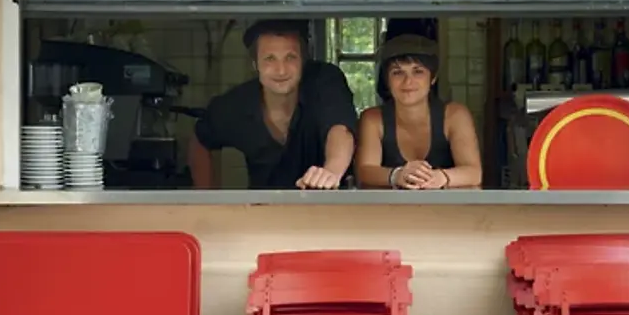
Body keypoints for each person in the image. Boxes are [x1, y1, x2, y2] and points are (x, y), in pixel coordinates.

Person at [188, 19, 358, 190]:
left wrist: (331, 172)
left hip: (325, 200)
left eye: (290, 57)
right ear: (255, 65)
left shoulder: (324, 81)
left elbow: (340, 129)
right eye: (270, 59)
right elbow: (200, 140)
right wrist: (207, 198)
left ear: (303, 61)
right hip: (263, 204)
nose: (281, 70)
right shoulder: (237, 104)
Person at [355, 33, 483, 190]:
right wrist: (396, 175)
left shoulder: (455, 115)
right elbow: (365, 171)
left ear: (433, 77)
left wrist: (441, 177)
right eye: (397, 72)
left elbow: (474, 173)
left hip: (447, 205)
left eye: (418, 71)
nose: (408, 81)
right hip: (390, 206)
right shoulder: (373, 119)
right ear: (387, 80)